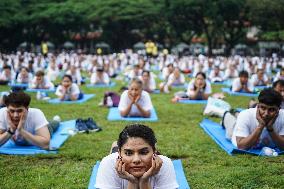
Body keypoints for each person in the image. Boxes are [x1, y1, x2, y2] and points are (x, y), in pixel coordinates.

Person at [95, 123, 179, 189]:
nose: (136, 160)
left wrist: (144, 181)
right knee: (113, 152)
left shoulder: (165, 163)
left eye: (144, 152)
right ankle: (115, 146)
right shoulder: (108, 163)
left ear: (154, 152)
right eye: (128, 153)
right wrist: (132, 182)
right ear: (119, 153)